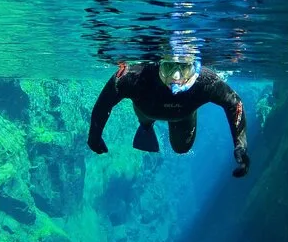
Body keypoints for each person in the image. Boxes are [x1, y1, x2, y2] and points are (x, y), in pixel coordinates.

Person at [87, 55, 250, 177]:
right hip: (156, 111)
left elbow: (234, 103)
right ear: (159, 63)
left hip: (174, 114)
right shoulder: (134, 75)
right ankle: (146, 126)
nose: (175, 77)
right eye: (169, 66)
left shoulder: (205, 81)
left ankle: (147, 125)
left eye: (183, 67)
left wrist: (241, 146)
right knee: (147, 119)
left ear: (194, 67)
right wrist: (94, 135)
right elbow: (105, 102)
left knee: (181, 148)